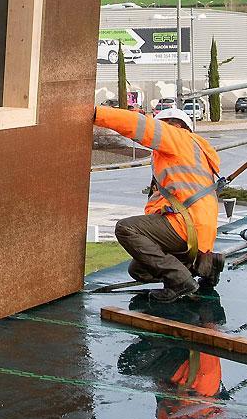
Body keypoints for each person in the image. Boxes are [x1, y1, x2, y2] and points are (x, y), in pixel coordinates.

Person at [93, 104, 223, 303]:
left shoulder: (177, 138)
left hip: (185, 226)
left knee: (127, 229)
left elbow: (137, 125)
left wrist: (96, 113)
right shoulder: (193, 151)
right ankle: (205, 265)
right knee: (138, 270)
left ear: (175, 125)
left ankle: (179, 280)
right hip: (199, 231)